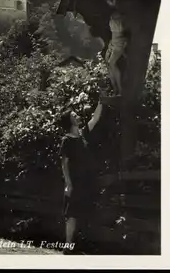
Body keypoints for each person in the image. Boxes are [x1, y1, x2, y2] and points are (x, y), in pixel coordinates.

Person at [59, 102, 103, 254]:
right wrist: (68, 184)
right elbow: (64, 164)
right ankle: (68, 245)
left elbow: (95, 118)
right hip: (75, 182)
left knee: (85, 212)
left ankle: (79, 245)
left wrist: (101, 100)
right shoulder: (67, 140)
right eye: (73, 115)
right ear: (69, 121)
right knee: (71, 215)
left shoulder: (83, 134)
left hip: (88, 181)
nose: (77, 115)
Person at [105, 0, 128, 96]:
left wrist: (124, 45)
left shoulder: (121, 17)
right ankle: (115, 88)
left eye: (111, 2)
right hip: (114, 42)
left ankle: (119, 89)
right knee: (108, 63)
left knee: (112, 63)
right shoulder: (113, 15)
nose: (109, 3)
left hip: (119, 43)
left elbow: (125, 33)